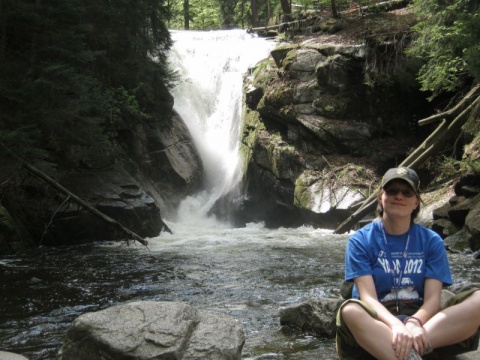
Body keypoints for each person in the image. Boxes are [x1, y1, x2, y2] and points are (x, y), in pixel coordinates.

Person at [336, 166, 480, 360]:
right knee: (350, 310)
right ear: (381, 197)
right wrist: (395, 326)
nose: (399, 196)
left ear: (416, 202)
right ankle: (410, 353)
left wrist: (413, 323)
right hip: (378, 324)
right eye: (392, 191)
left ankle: (411, 350)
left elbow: (432, 300)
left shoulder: (431, 241)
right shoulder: (360, 240)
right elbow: (368, 298)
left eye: (406, 192)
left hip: (422, 324)